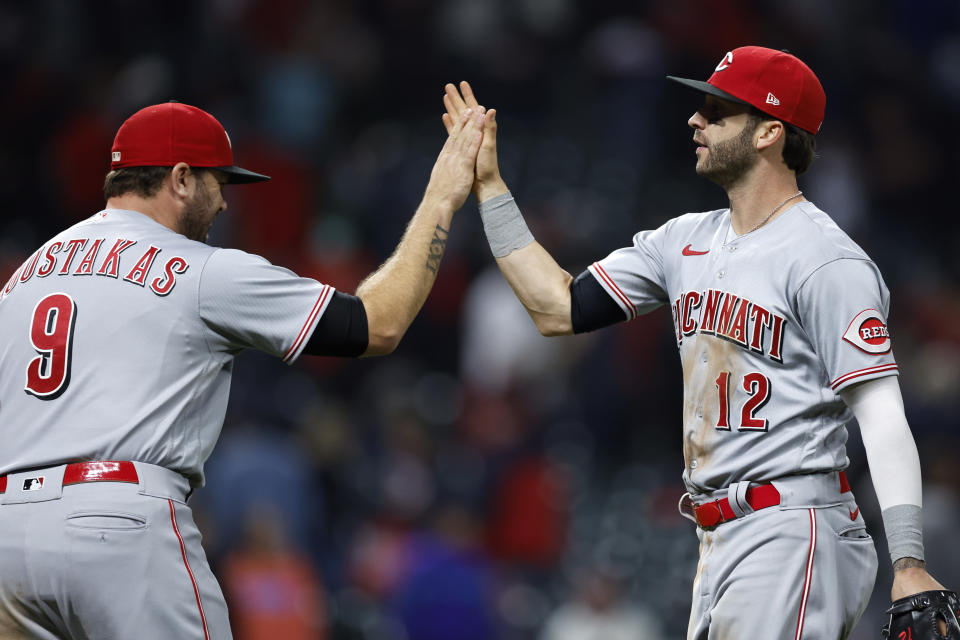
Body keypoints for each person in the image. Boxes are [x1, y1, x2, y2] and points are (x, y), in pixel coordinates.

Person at [443, 46, 948, 639]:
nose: (695, 120)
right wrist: (490, 187)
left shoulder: (826, 260)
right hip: (719, 539)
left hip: (793, 524)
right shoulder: (683, 240)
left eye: (717, 110)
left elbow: (882, 412)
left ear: (769, 132)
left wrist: (910, 562)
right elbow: (559, 307)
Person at [0, 99, 486, 638]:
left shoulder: (26, 276)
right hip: (118, 524)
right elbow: (378, 323)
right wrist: (442, 196)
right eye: (218, 183)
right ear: (181, 179)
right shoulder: (203, 270)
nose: (224, 205)